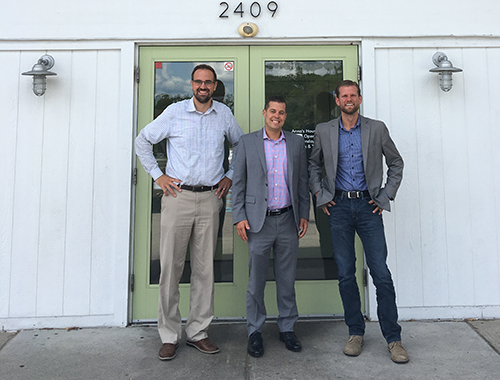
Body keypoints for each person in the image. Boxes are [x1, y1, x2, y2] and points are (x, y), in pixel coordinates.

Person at [135, 64, 244, 362]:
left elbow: (242, 146)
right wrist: (158, 176)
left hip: (210, 198)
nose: (203, 86)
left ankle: (198, 332)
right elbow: (142, 141)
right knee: (170, 269)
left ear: (215, 85)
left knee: (204, 269)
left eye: (208, 82)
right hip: (177, 198)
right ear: (192, 84)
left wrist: (230, 175)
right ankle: (169, 335)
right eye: (198, 81)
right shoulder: (174, 112)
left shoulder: (224, 114)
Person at [309, 80, 409, 364]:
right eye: (344, 96)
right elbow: (313, 165)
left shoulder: (376, 128)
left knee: (380, 273)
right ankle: (356, 332)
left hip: (369, 207)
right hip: (338, 207)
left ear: (359, 99)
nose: (349, 99)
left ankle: (394, 338)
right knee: (345, 273)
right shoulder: (324, 130)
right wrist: (320, 193)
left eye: (353, 95)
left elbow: (396, 163)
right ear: (337, 100)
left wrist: (385, 196)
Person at [232, 96, 309, 358]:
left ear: (286, 116)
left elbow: (302, 182)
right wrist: (238, 216)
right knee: (256, 281)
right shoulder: (247, 142)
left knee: (287, 279)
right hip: (257, 222)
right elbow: (239, 183)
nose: (277, 116)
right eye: (272, 111)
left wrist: (304, 215)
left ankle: (287, 327)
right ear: (264, 112)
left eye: (282, 112)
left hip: (288, 220)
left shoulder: (296, 143)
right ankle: (255, 331)